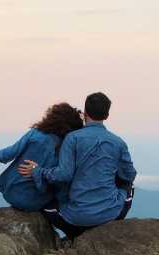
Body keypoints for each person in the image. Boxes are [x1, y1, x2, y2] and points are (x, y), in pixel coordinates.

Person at [19, 92, 136, 240]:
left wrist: (38, 171)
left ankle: (75, 235)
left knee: (47, 205)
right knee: (128, 185)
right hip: (110, 216)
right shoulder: (118, 143)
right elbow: (129, 175)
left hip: (75, 221)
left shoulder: (72, 138)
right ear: (107, 116)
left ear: (85, 113)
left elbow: (64, 175)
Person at [0, 102, 84, 212]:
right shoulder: (64, 147)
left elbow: (9, 153)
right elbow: (61, 179)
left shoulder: (35, 134)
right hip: (34, 201)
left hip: (11, 192)